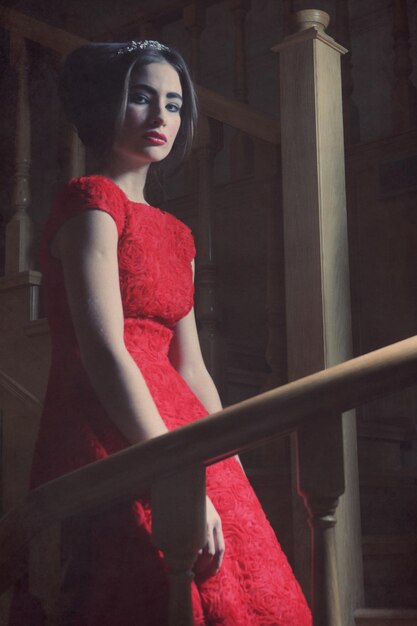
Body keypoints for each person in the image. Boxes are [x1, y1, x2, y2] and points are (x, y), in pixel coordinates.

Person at [11, 40, 312, 625]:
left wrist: (227, 458)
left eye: (174, 104)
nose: (160, 118)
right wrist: (170, 463)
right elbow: (103, 350)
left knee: (254, 586)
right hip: (110, 417)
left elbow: (192, 366)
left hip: (183, 423)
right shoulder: (91, 203)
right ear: (105, 103)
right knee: (151, 581)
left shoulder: (178, 234)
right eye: (141, 98)